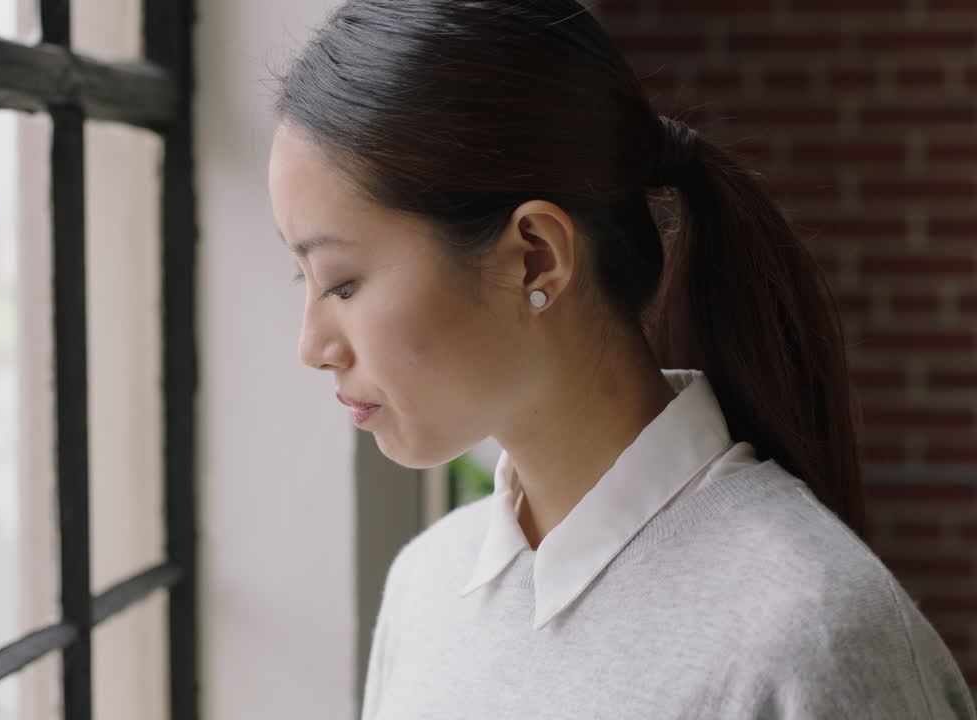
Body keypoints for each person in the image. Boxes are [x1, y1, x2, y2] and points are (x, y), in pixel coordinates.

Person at [266, 1, 976, 718]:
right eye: (306, 282)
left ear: (534, 257)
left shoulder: (807, 636)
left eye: (342, 283)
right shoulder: (426, 587)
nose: (312, 348)